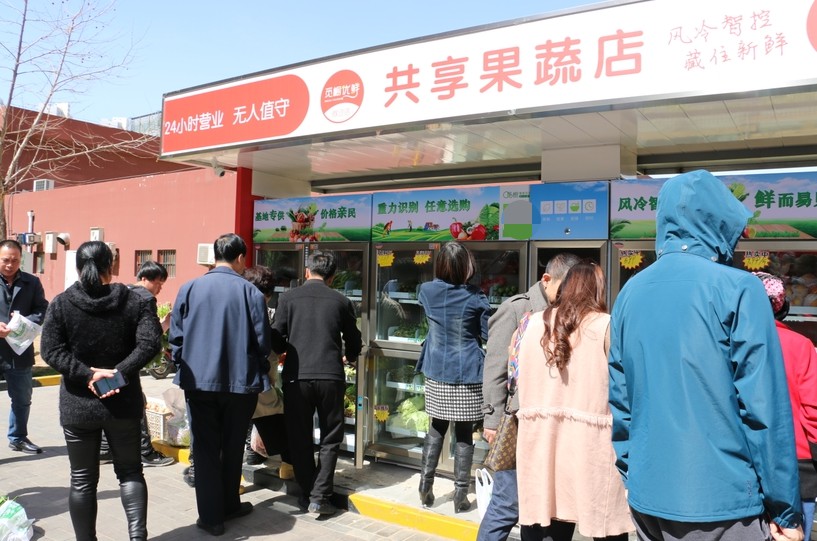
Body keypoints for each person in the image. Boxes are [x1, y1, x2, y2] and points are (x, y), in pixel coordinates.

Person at [608, 169, 804, 541]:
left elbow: (621, 401)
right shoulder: (739, 288)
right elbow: (764, 409)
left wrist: (632, 476)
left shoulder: (630, 292)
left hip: (649, 498)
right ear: (720, 222)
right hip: (725, 502)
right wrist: (786, 511)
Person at [40, 241, 162, 541]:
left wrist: (88, 375)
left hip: (78, 404)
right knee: (131, 473)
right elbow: (150, 344)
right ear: (112, 266)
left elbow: (51, 351)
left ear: (78, 268)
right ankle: (137, 537)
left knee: (82, 480)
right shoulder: (135, 301)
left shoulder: (61, 303)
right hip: (123, 403)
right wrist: (118, 373)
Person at [514, 260, 632, 541]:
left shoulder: (530, 323)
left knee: (546, 522)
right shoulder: (606, 325)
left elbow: (513, 376)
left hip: (542, 442)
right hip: (592, 446)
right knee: (606, 526)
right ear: (598, 290)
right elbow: (625, 388)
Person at [168, 233, 273, 536]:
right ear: (240, 258)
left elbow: (176, 337)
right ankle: (229, 504)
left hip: (199, 383)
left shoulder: (189, 288)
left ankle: (212, 517)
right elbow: (262, 342)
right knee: (232, 446)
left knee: (205, 448)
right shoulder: (251, 293)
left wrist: (184, 364)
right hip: (240, 384)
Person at [477, 252, 580, 541]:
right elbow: (495, 368)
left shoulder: (569, 313)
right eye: (564, 288)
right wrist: (492, 421)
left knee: (548, 507)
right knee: (507, 504)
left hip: (554, 428)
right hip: (518, 424)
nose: (568, 296)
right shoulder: (516, 309)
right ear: (546, 279)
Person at [272, 250, 362, 516]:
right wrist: (350, 356)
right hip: (330, 376)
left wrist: (284, 349)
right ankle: (320, 496)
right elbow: (354, 339)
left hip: (296, 377)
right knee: (330, 437)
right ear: (332, 276)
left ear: (307, 271)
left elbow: (276, 337)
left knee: (299, 437)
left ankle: (308, 493)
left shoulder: (288, 298)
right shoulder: (341, 301)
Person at [416, 241, 491, 513]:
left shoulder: (426, 291)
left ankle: (425, 485)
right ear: (464, 267)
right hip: (467, 372)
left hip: (436, 369)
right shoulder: (475, 296)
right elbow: (487, 334)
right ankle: (460, 496)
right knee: (463, 432)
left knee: (436, 427)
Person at [754, 271, 817, 541]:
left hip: (742, 463)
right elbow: (814, 410)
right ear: (780, 306)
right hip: (796, 465)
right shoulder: (801, 345)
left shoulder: (725, 345)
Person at [100, 260, 174, 467]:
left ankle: (104, 449)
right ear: (144, 279)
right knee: (136, 404)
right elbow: (150, 336)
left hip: (107, 358)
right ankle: (145, 452)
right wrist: (166, 323)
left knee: (112, 402)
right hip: (127, 361)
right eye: (158, 283)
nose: (159, 289)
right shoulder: (145, 298)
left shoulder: (119, 291)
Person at [243, 265, 294, 480]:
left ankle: (236, 479)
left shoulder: (234, 306)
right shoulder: (259, 309)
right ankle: (288, 465)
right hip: (257, 378)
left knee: (235, 430)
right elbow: (271, 346)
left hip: (232, 380)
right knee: (275, 416)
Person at [0, 239, 48, 455]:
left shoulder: (32, 282)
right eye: (5, 260)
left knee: (22, 399)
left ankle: (18, 437)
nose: (10, 265)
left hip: (18, 351)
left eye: (15, 260)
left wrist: (22, 323)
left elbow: (42, 309)